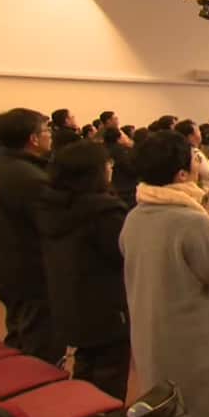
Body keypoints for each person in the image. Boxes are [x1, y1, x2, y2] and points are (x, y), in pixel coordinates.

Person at [121, 131, 209, 417]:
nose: (200, 165)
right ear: (181, 174)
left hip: (153, 326)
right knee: (197, 409)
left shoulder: (136, 215)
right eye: (195, 160)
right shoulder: (190, 221)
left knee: (165, 403)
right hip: (192, 332)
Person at [36, 140, 130, 399]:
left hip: (70, 300)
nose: (110, 168)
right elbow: (124, 254)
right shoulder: (103, 211)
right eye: (106, 164)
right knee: (111, 372)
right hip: (106, 304)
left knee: (86, 362)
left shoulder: (50, 205)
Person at [0, 108, 62, 362]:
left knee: (19, 331)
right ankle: (34, 395)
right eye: (46, 131)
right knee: (40, 343)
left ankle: (15, 383)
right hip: (28, 270)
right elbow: (50, 224)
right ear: (33, 139)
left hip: (3, 266)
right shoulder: (30, 176)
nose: (50, 136)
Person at [176, 119, 209, 194]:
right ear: (191, 137)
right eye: (198, 131)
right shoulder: (195, 153)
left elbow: (201, 168)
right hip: (201, 192)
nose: (200, 133)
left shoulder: (184, 151)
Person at [102, 127, 138, 208]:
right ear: (118, 138)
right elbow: (130, 169)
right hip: (126, 189)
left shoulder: (102, 148)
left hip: (110, 187)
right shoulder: (120, 151)